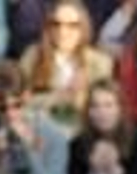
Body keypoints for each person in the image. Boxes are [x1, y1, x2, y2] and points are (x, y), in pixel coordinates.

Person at [16, 0, 113, 135]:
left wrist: (81, 96)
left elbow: (106, 111)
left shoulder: (100, 63)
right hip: (41, 135)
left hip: (85, 137)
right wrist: (59, 97)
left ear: (83, 27)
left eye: (72, 25)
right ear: (48, 27)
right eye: (56, 24)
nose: (63, 31)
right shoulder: (32, 56)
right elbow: (18, 102)